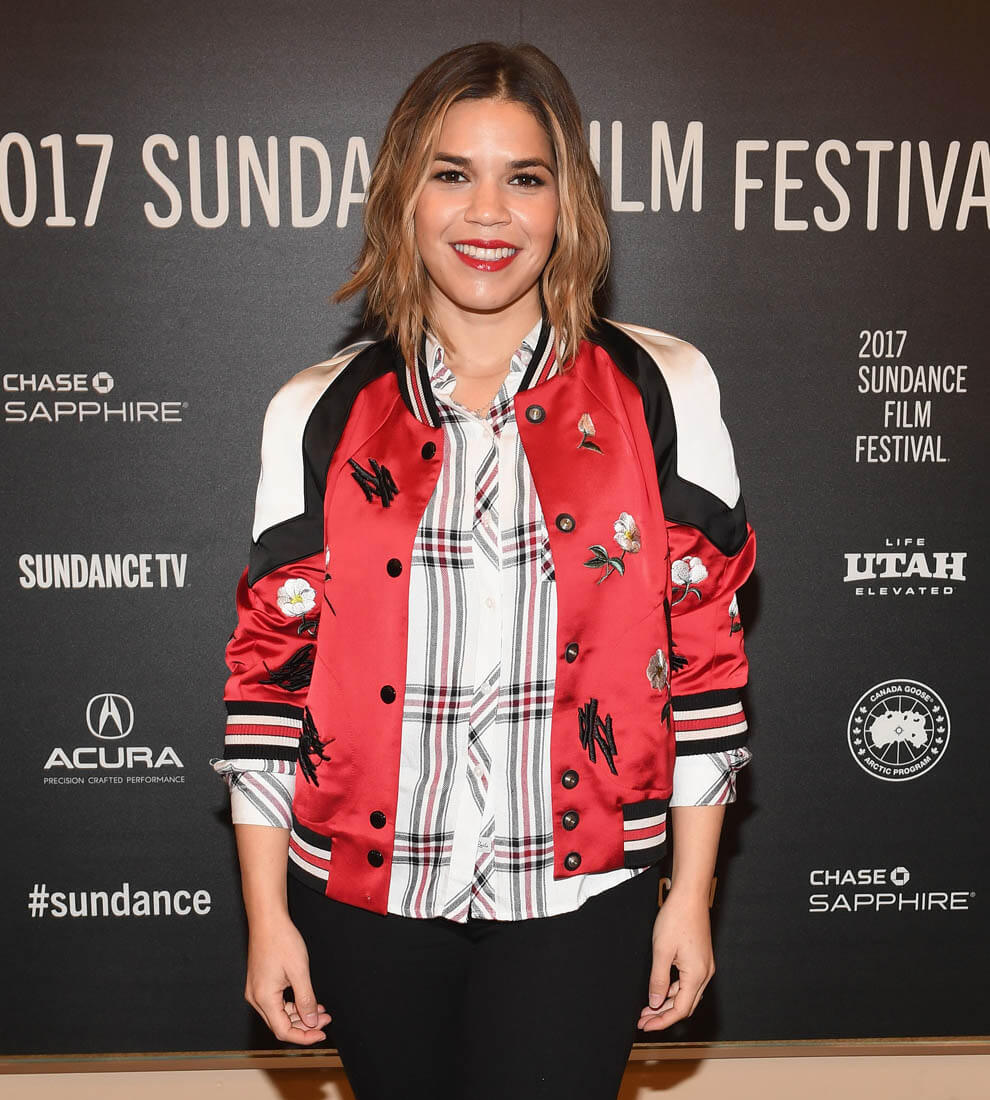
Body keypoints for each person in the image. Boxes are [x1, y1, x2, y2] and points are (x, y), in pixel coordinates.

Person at [212, 40, 756, 1100]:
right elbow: (271, 680)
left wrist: (691, 894)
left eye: (526, 178)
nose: (489, 213)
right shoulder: (315, 409)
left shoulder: (663, 387)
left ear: (567, 204)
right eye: (453, 174)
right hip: (367, 897)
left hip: (581, 894)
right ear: (404, 198)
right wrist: (268, 915)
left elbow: (704, 661)